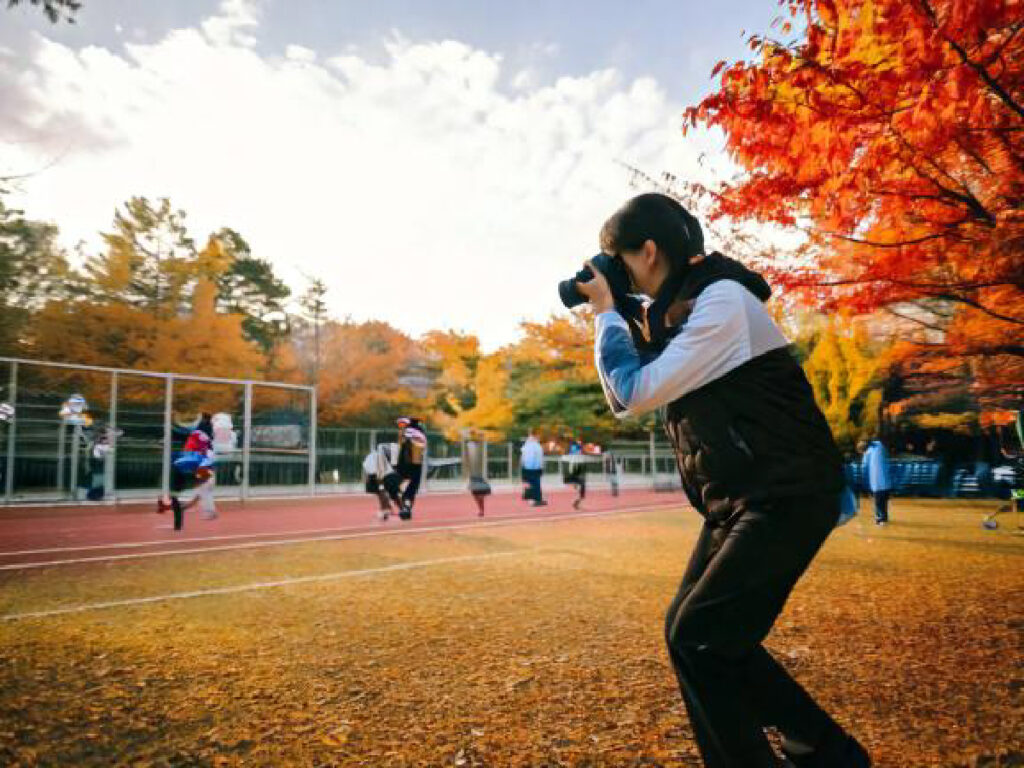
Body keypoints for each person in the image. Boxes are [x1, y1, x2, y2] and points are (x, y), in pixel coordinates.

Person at [575, 193, 869, 767]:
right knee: (693, 635)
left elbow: (632, 393)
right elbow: (639, 379)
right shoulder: (688, 307)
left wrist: (607, 311)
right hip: (743, 498)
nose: (620, 272)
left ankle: (816, 752)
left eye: (621, 259)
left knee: (702, 636)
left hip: (785, 493)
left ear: (650, 251)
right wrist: (620, 307)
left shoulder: (723, 301)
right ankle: (823, 748)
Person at [158, 412, 214, 531]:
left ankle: (175, 510)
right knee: (180, 491)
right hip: (188, 465)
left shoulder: (197, 432)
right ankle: (175, 512)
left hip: (188, 465)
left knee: (179, 491)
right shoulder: (201, 433)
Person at [395, 417, 427, 519]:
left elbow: (399, 445)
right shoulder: (420, 434)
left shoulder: (403, 432)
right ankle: (407, 507)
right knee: (412, 488)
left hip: (401, 464)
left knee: (402, 486)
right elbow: (422, 448)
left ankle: (404, 507)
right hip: (415, 464)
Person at [859, 438, 892, 526]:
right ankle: (885, 518)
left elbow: (864, 469)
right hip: (887, 483)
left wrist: (864, 484)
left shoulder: (867, 454)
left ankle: (880, 520)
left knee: (878, 504)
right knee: (884, 502)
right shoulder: (880, 446)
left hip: (876, 484)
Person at [463, 431, 491, 516]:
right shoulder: (468, 444)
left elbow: (481, 436)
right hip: (472, 474)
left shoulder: (481, 445)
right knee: (475, 494)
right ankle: (481, 510)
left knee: (480, 493)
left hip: (480, 474)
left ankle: (481, 510)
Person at [363, 446, 393, 520]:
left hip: (379, 476)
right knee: (380, 492)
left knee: (381, 491)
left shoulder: (376, 456)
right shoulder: (374, 456)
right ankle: (387, 506)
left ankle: (385, 509)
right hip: (376, 475)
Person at [520, 430, 547, 507]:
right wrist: (539, 467)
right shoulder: (533, 445)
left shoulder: (531, 445)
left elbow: (524, 458)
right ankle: (533, 500)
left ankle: (537, 499)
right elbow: (531, 457)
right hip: (532, 468)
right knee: (533, 483)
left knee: (534, 483)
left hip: (532, 467)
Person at [563, 439, 587, 510]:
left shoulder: (574, 452)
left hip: (574, 472)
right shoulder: (575, 451)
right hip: (573, 473)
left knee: (581, 487)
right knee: (580, 486)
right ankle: (577, 502)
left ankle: (577, 502)